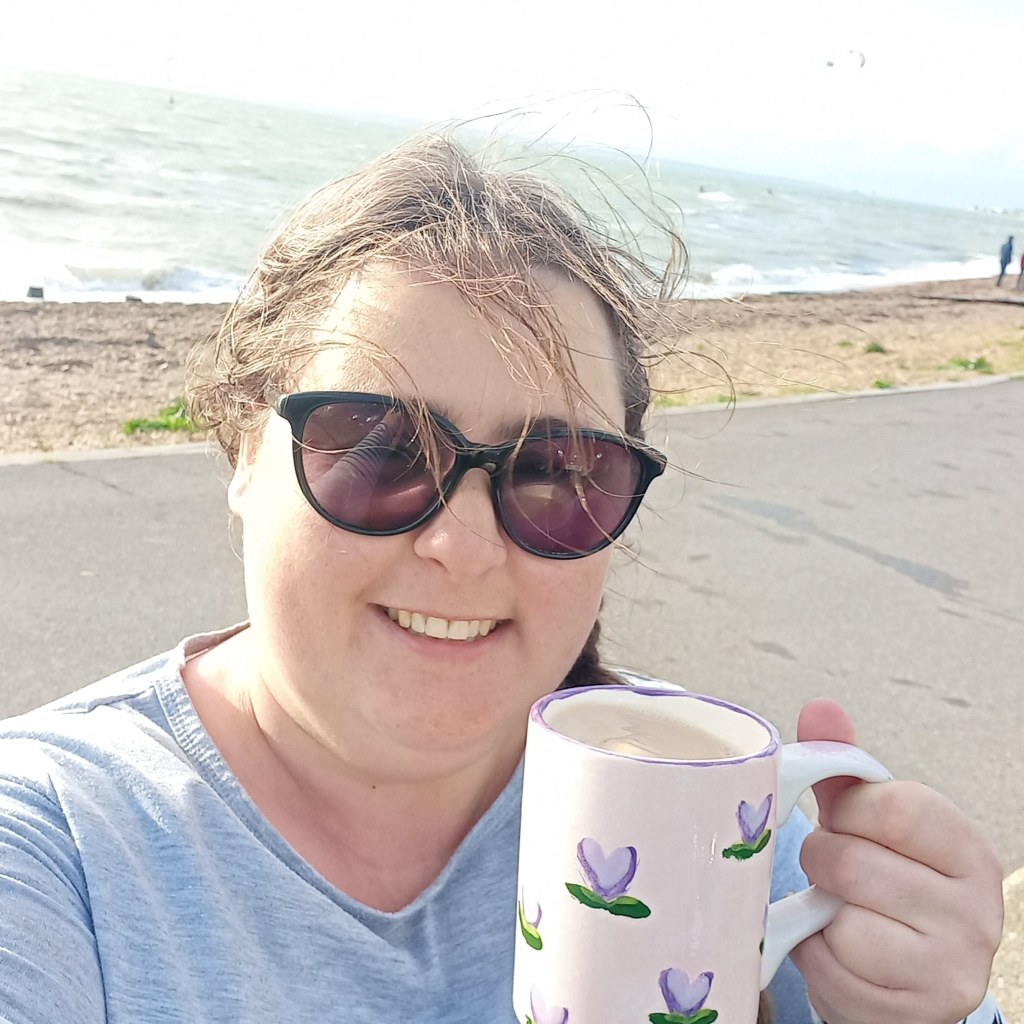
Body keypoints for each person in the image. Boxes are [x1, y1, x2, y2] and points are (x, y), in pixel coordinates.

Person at [0, 134, 1005, 1024]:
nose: (464, 548)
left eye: (558, 470)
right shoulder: (55, 848)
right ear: (242, 452)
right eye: (384, 445)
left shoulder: (703, 801)